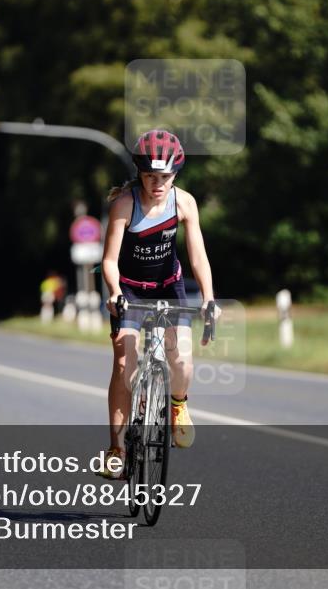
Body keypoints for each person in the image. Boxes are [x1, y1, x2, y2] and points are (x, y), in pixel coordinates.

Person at [96, 129, 218, 479]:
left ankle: (178, 406)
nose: (157, 183)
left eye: (164, 176)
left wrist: (209, 299)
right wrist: (115, 291)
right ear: (140, 173)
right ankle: (117, 450)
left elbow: (198, 255)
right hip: (130, 291)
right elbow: (109, 260)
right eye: (150, 176)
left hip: (169, 286)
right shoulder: (125, 204)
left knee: (182, 356)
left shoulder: (185, 203)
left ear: (175, 174)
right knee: (123, 364)